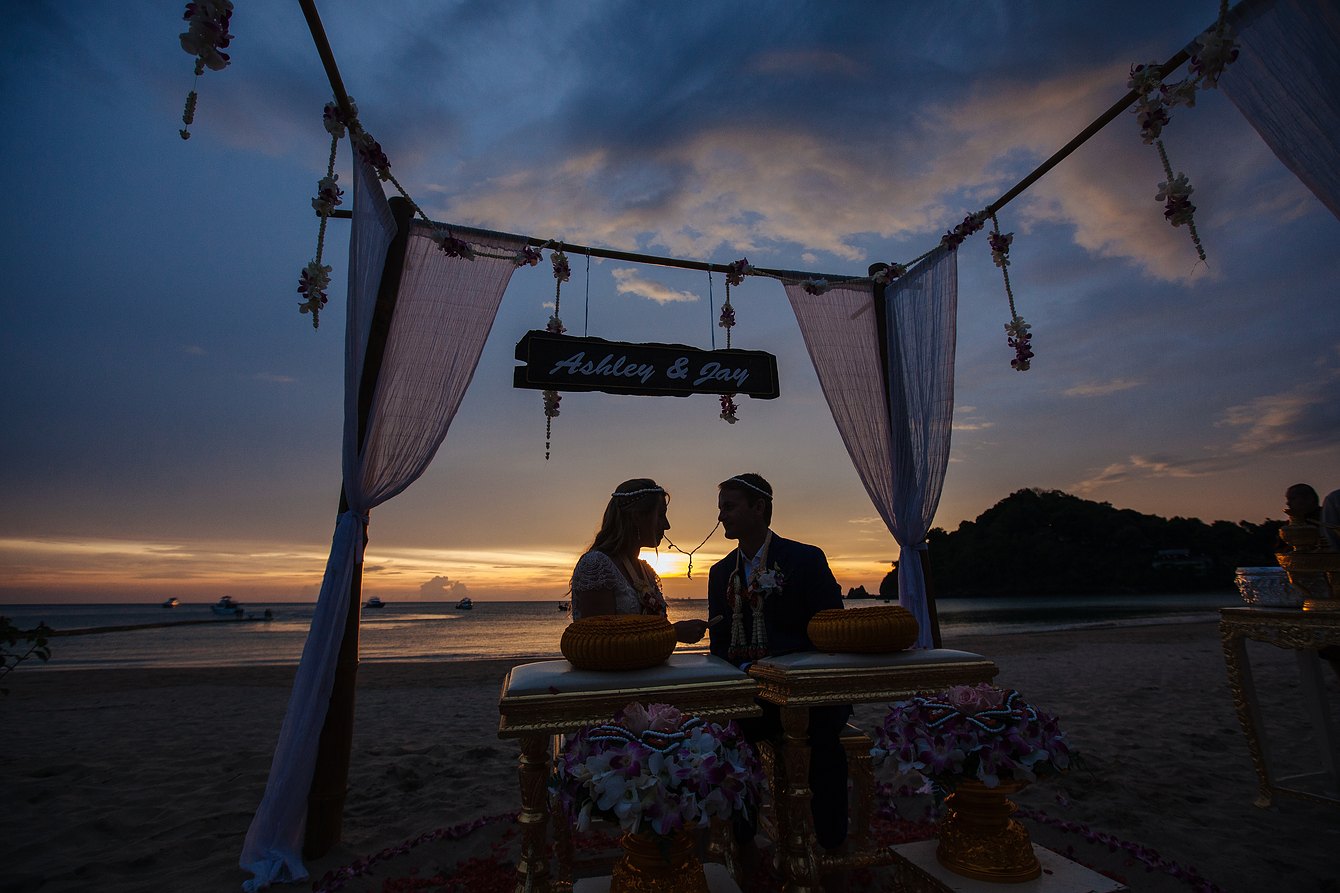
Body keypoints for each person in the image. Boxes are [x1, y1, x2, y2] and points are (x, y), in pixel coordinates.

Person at [706, 473, 851, 866]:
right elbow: (719, 647)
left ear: (759, 507)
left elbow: (831, 628)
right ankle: (745, 843)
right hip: (752, 697)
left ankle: (833, 847)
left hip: (806, 692)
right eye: (720, 508)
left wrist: (781, 665)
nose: (721, 517)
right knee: (724, 740)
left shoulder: (805, 559)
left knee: (824, 744)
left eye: (729, 506)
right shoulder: (720, 573)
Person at [569, 478, 710, 644]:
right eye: (660, 515)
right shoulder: (596, 565)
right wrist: (673, 633)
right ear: (637, 517)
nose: (667, 525)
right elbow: (599, 640)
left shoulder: (645, 570)